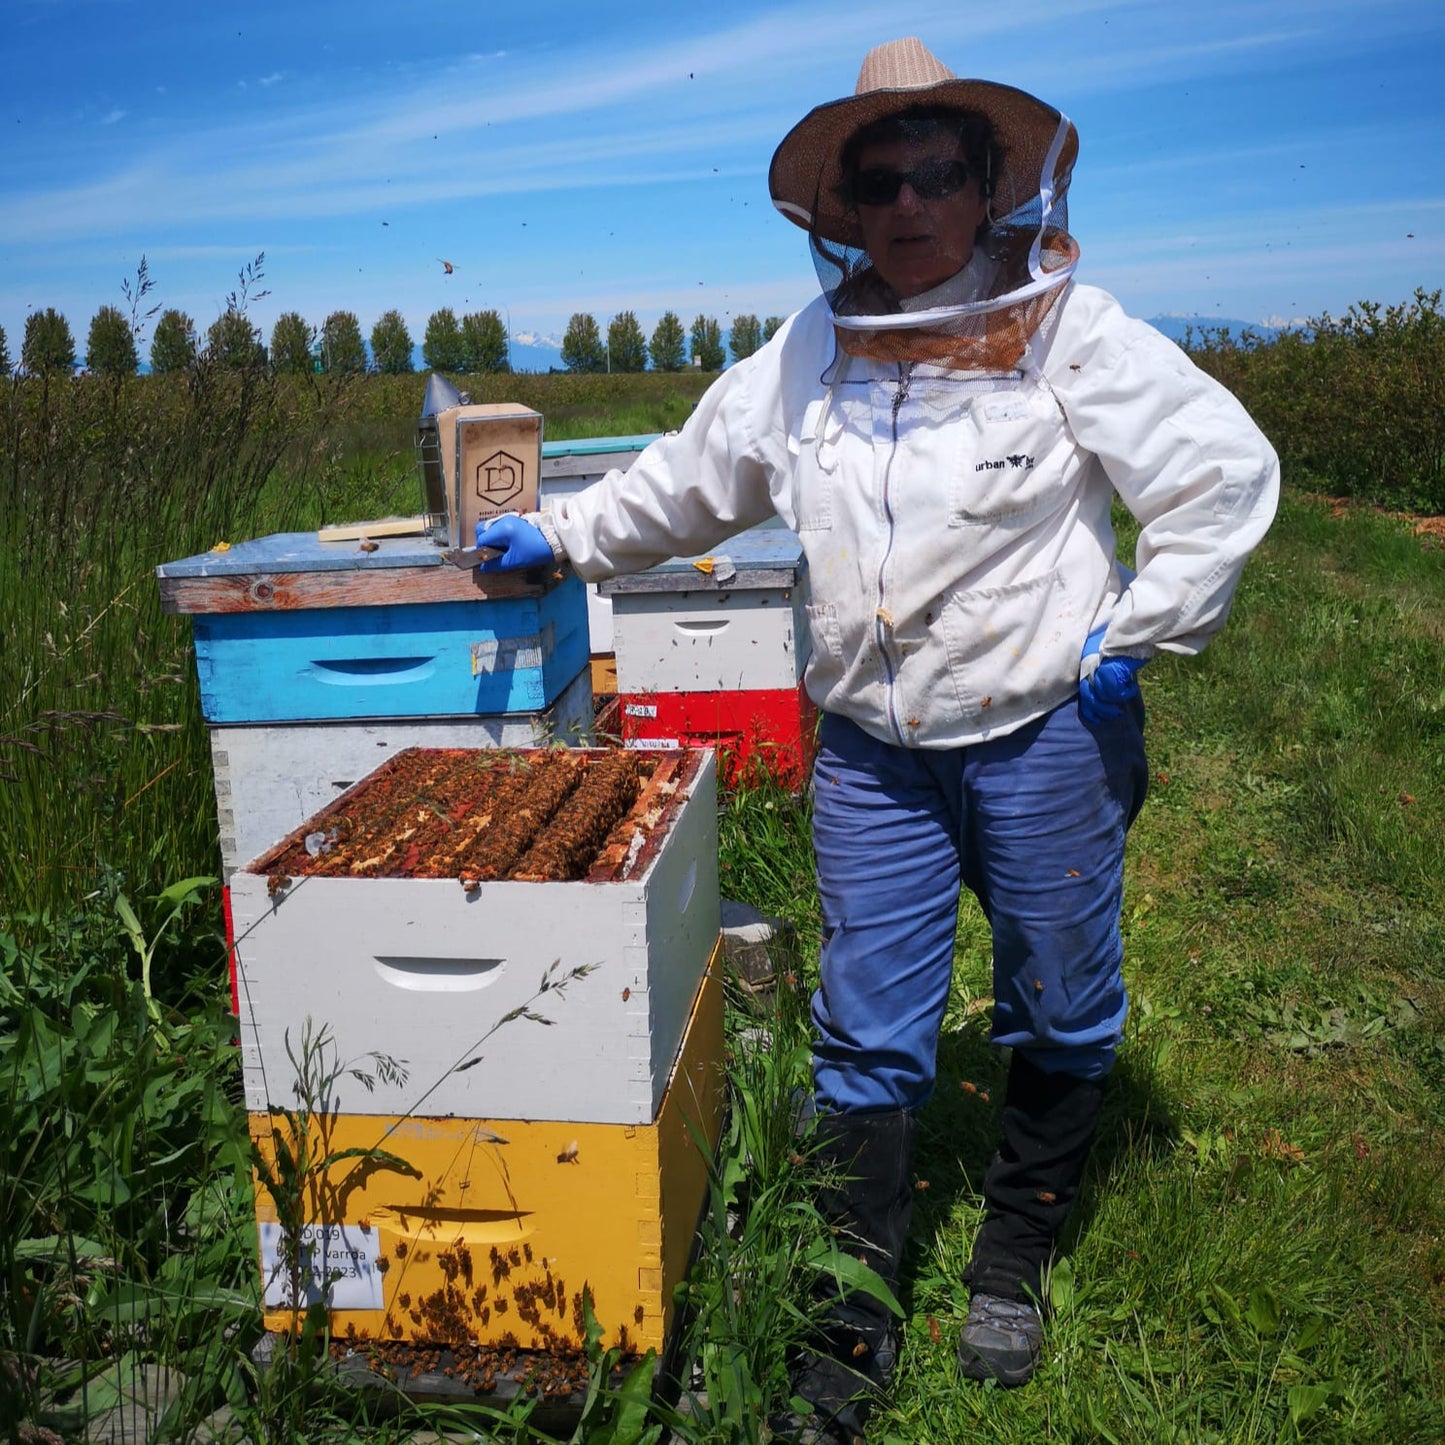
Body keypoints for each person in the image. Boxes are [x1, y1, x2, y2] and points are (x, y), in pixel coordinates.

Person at [476, 36, 1279, 1443]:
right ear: (841, 208)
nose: (907, 203)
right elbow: (683, 482)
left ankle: (1013, 1257)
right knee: (866, 1032)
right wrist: (557, 532)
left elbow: (1219, 477)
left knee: (1059, 988)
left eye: (935, 175)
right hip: (870, 751)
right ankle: (849, 1320)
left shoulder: (1069, 331)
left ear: (985, 192)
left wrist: (1136, 635)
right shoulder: (806, 354)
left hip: (1043, 732)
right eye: (880, 180)